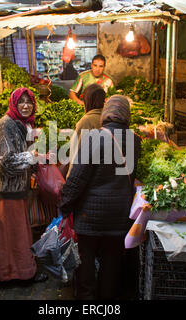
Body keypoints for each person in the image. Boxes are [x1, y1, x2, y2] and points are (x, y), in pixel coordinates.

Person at [59, 95, 141, 300]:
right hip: (119, 216)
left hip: (90, 217)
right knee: (111, 266)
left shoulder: (95, 137)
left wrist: (64, 207)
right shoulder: (135, 141)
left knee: (85, 267)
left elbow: (77, 178)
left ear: (106, 114)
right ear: (126, 115)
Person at [0, 87, 48, 284]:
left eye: (29, 102)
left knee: (13, 235)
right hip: (6, 191)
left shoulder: (21, 124)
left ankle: (10, 272)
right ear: (13, 104)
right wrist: (32, 157)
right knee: (15, 236)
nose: (25, 105)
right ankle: (20, 275)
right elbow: (6, 162)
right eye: (21, 101)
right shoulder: (6, 125)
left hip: (14, 190)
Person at [65, 83, 106, 179]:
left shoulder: (86, 121)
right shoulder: (107, 117)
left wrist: (69, 180)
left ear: (87, 100)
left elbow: (77, 156)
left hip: (88, 178)